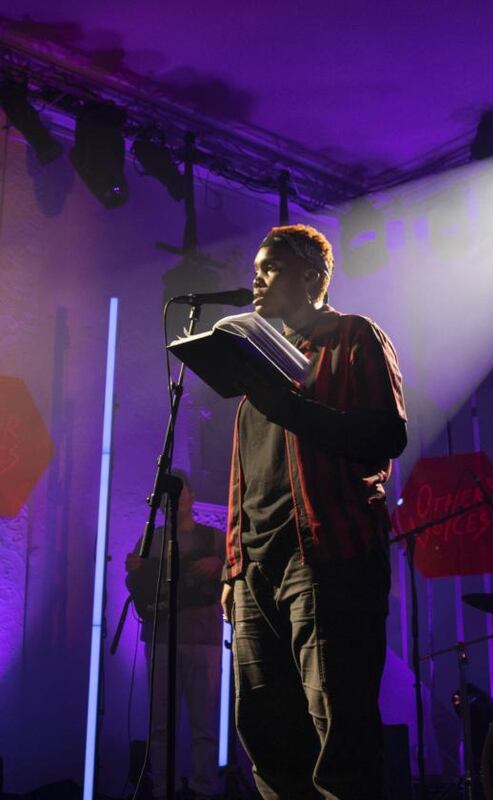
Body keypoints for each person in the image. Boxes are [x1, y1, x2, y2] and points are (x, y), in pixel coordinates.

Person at [221, 224, 407, 800]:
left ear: (312, 276)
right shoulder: (258, 366)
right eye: (256, 267)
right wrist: (233, 567)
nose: (256, 278)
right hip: (257, 571)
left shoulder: (354, 337)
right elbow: (242, 479)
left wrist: (289, 404)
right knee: (266, 730)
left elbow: (385, 436)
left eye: (270, 267)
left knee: (339, 729)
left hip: (329, 558)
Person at [125, 470, 225, 800]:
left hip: (204, 639)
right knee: (160, 724)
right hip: (162, 638)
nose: (177, 498)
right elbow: (137, 586)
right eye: (171, 493)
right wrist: (135, 570)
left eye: (182, 492)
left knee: (205, 724)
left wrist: (220, 565)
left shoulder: (213, 539)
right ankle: (161, 789)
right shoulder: (150, 539)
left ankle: (205, 788)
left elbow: (241, 570)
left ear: (192, 496)